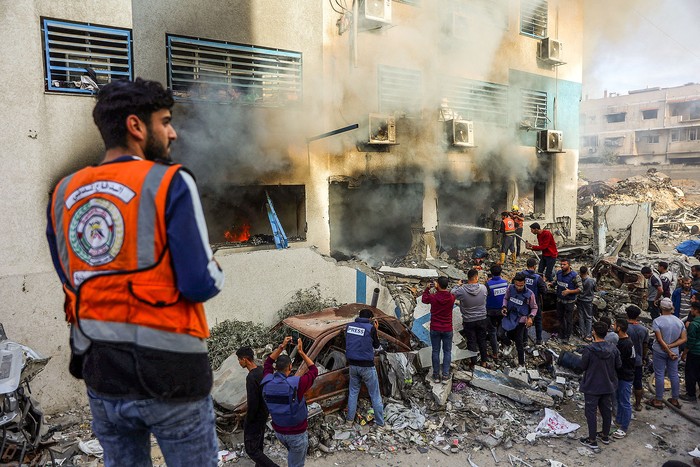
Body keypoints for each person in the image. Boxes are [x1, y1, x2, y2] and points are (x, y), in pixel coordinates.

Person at [46, 78, 224, 467]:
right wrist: (216, 270)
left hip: (101, 373)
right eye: (165, 121)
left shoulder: (63, 192)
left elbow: (69, 275)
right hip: (172, 375)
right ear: (136, 126)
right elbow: (199, 283)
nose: (173, 132)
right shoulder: (169, 181)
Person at [263, 337, 318, 467]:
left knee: (293, 458)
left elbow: (267, 363)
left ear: (276, 368)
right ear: (290, 366)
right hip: (296, 433)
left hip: (279, 432)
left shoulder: (267, 381)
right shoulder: (297, 384)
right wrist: (301, 352)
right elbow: (314, 371)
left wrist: (281, 347)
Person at [579, 321, 621, 450]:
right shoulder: (613, 348)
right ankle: (605, 435)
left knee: (591, 413)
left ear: (594, 332)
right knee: (606, 411)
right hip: (608, 384)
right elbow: (618, 365)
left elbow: (582, 366)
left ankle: (592, 440)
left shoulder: (589, 349)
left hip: (592, 385)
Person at [237, 347, 278, 467]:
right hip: (264, 414)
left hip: (255, 418)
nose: (239, 362)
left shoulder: (251, 378)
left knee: (252, 450)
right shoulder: (262, 370)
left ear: (245, 359)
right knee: (258, 446)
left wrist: (247, 421)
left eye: (239, 360)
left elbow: (252, 403)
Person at [345, 309, 386, 426]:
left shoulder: (349, 326)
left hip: (353, 365)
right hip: (367, 367)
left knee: (353, 393)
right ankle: (380, 423)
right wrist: (375, 331)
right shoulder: (370, 328)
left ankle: (349, 421)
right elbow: (377, 346)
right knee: (375, 395)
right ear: (370, 319)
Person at [646, 298, 687, 409]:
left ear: (661, 308)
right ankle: (674, 399)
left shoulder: (657, 321)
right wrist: (671, 348)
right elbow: (683, 339)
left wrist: (667, 349)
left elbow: (659, 340)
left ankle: (658, 400)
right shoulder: (679, 321)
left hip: (660, 351)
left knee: (659, 374)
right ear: (671, 308)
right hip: (674, 352)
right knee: (674, 374)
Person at [453, 269, 490, 368]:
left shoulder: (462, 290)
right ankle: (484, 361)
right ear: (476, 277)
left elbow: (452, 293)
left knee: (471, 341)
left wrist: (458, 285)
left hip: (468, 320)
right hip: (482, 318)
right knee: (482, 340)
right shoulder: (483, 288)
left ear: (467, 278)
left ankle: (473, 363)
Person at [422, 277, 456, 383]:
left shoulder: (433, 297)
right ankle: (445, 375)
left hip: (435, 328)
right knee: (447, 351)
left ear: (438, 285)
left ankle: (436, 375)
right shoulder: (451, 298)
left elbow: (424, 299)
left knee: (435, 351)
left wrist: (427, 289)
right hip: (447, 328)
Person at [501, 273, 537, 367]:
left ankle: (521, 364)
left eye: (521, 285)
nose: (519, 287)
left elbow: (534, 308)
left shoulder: (529, 294)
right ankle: (509, 344)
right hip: (509, 317)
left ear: (524, 283)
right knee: (500, 333)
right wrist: (504, 307)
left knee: (519, 342)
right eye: (517, 285)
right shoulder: (510, 288)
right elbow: (505, 298)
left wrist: (531, 317)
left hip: (520, 320)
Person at [612, 318, 635, 439]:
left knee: (625, 402)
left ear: (619, 328)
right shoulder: (626, 341)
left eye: (615, 325)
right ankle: (619, 420)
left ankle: (624, 427)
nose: (613, 326)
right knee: (620, 399)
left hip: (625, 376)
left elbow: (619, 362)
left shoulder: (624, 344)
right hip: (623, 375)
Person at [625, 305, 649, 411]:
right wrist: (644, 358)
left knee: (623, 382)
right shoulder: (643, 329)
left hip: (625, 360)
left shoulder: (624, 328)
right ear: (638, 316)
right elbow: (645, 346)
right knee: (638, 383)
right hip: (637, 360)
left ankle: (623, 403)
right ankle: (638, 404)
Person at [521, 257, 547, 345]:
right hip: (534, 303)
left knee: (524, 320)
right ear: (535, 266)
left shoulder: (521, 275)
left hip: (523, 302)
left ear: (527, 265)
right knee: (538, 320)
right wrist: (544, 282)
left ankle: (524, 341)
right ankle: (539, 340)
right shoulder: (537, 278)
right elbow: (544, 291)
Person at [555, 258, 581, 342]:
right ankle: (561, 334)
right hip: (560, 300)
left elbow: (580, 289)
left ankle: (567, 336)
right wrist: (550, 283)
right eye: (561, 264)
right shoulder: (559, 273)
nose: (562, 266)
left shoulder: (574, 276)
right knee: (560, 318)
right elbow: (556, 282)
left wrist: (570, 291)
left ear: (569, 265)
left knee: (568, 319)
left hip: (569, 302)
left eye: (564, 264)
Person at [485, 265, 508, 360]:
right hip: (502, 310)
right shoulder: (505, 283)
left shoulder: (488, 284)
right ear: (500, 272)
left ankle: (495, 353)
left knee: (492, 331)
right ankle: (504, 345)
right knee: (502, 329)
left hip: (490, 311)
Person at [680, 301, 700, 402]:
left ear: (696, 310)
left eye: (692, 309)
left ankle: (691, 394)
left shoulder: (694, 324)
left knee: (690, 373)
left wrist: (684, 353)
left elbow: (691, 342)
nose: (691, 311)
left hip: (695, 352)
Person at [578, 266, 597, 341]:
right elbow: (595, 289)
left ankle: (582, 333)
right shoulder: (591, 280)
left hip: (580, 299)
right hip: (588, 301)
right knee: (588, 317)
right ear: (587, 271)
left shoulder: (579, 280)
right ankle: (588, 334)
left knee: (581, 316)